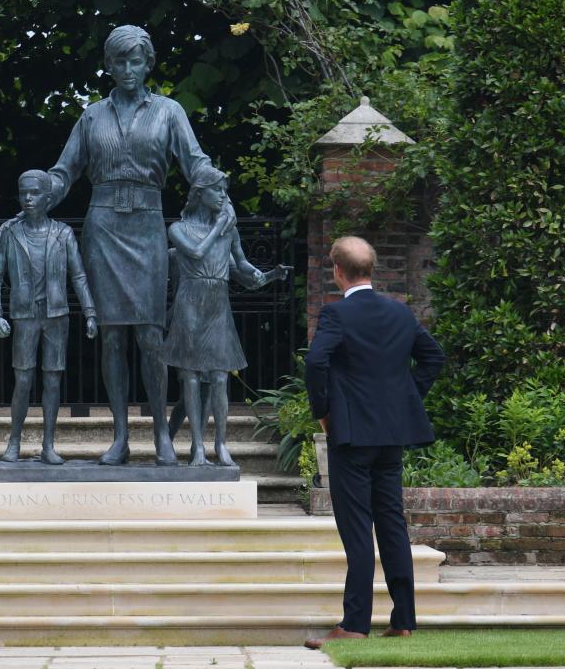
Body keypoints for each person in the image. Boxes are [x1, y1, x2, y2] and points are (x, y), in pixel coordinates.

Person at [47, 24, 220, 466]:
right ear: (108, 65)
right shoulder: (91, 117)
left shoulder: (168, 112)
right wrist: (39, 191)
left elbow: (194, 161)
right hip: (103, 227)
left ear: (149, 64)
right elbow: (64, 171)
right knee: (111, 338)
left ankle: (161, 433)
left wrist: (218, 192)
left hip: (146, 225)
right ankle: (121, 436)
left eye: (136, 60)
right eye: (119, 61)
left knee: (149, 334)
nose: (127, 69)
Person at [302, 236, 445, 649]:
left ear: (337, 271)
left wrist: (324, 411)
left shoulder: (336, 314)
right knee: (392, 523)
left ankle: (354, 624)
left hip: (351, 436)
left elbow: (315, 361)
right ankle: (403, 620)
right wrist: (405, 399)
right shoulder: (400, 312)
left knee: (357, 529)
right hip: (391, 436)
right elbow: (433, 357)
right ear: (372, 269)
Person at [162, 167, 289, 466]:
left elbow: (242, 267)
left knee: (220, 377)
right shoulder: (179, 229)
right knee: (190, 377)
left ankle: (220, 443)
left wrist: (269, 275)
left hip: (217, 304)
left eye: (224, 190)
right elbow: (194, 253)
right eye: (217, 190)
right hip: (190, 303)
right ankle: (196, 448)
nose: (223, 195)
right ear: (200, 193)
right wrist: (219, 228)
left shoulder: (228, 229)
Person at [0, 169, 99, 464]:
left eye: (35, 193)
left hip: (56, 315)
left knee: (52, 381)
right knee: (22, 381)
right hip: (25, 316)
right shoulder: (10, 233)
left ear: (48, 198)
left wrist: (90, 312)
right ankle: (14, 442)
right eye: (24, 193)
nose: (28, 199)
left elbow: (79, 276)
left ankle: (49, 444)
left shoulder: (62, 234)